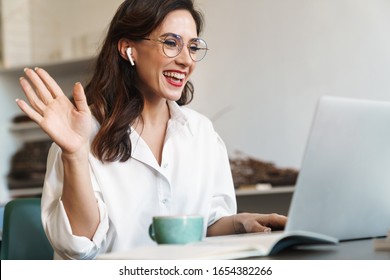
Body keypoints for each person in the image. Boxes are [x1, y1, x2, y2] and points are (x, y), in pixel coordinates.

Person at [16, 0, 286, 260]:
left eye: (192, 47)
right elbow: (79, 247)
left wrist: (240, 223)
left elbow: (207, 225)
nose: (186, 60)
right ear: (128, 49)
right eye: (171, 43)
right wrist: (74, 154)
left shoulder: (202, 132)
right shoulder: (80, 134)